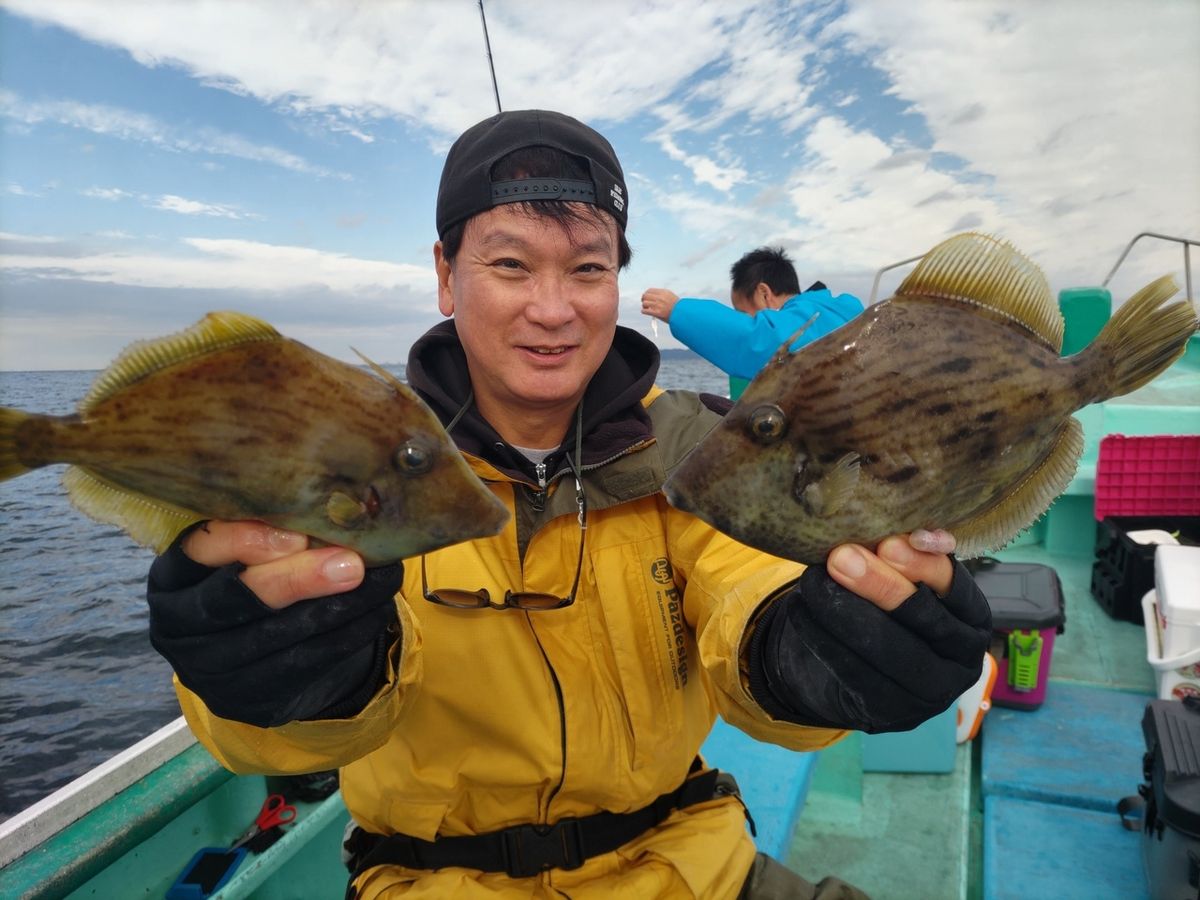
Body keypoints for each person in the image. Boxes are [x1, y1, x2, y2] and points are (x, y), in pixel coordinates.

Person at [145, 109, 991, 899]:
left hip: (691, 866)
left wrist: (823, 656)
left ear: (618, 281)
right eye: (509, 264)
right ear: (446, 275)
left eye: (588, 268)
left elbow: (750, 589)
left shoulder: (692, 447)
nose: (552, 311)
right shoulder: (363, 467)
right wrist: (274, 671)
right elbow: (275, 738)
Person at [641, 247, 863, 398]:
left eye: (742, 313)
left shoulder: (812, 319)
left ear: (764, 293)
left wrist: (678, 310)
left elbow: (761, 341)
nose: (745, 320)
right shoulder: (845, 310)